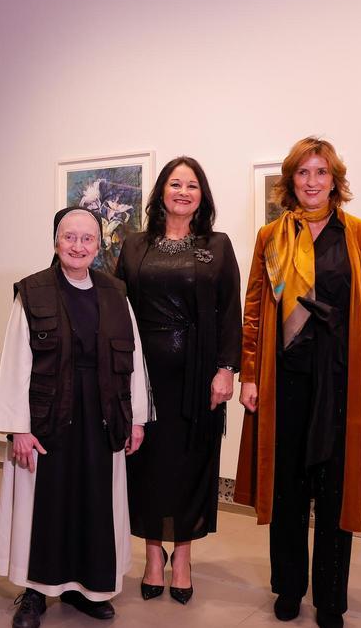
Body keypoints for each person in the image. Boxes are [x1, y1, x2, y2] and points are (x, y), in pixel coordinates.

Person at [235, 137, 361, 628]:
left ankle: (330, 598)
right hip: (285, 381)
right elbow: (256, 312)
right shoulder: (271, 237)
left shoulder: (360, 234)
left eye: (320, 172)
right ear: (290, 181)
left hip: (342, 380)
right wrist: (249, 374)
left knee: (333, 491)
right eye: (303, 172)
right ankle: (288, 588)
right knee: (286, 488)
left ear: (335, 179)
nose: (311, 181)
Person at [0, 207, 150, 628]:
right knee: (46, 505)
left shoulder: (116, 292)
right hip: (48, 416)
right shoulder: (33, 291)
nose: (78, 246)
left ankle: (89, 589)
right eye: (69, 237)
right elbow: (14, 363)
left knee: (95, 502)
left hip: (102, 414)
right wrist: (18, 428)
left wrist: (135, 419)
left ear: (99, 245)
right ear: (56, 241)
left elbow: (132, 359)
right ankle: (37, 592)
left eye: (87, 239)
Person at [115, 157, 241, 603]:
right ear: (161, 193)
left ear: (202, 195)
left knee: (191, 464)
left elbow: (230, 312)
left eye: (192, 185)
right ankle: (152, 555)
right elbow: (116, 311)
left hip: (198, 377)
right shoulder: (133, 246)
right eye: (175, 184)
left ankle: (183, 557)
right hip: (143, 377)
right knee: (145, 465)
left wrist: (226, 370)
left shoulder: (217, 246)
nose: (183, 192)